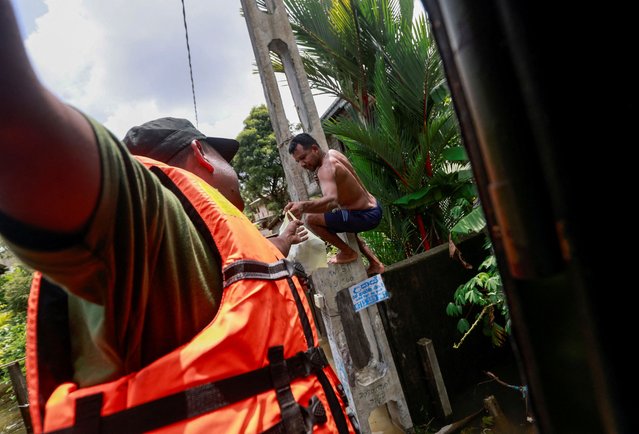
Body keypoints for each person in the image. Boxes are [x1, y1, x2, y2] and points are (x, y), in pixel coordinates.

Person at [0, 2, 356, 433]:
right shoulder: (153, 228)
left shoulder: (201, 248)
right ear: (201, 158)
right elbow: (23, 138)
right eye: (225, 157)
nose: (234, 172)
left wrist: (281, 238)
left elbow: (243, 279)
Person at [284, 133, 385, 276]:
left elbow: (331, 201)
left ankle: (348, 252)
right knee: (342, 220)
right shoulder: (333, 153)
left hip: (365, 215)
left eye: (303, 157)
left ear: (314, 149)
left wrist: (303, 206)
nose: (302, 164)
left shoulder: (325, 170)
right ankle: (375, 264)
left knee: (311, 219)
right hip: (373, 206)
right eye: (298, 161)